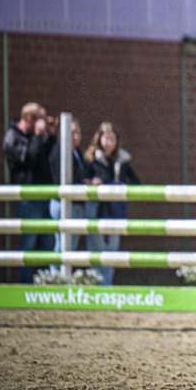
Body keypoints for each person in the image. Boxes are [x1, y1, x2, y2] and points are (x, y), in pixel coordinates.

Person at [2, 102, 57, 282]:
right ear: (29, 119)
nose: (42, 124)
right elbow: (28, 160)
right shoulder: (12, 138)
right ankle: (25, 284)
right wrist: (38, 137)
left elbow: (50, 160)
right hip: (27, 198)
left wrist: (50, 135)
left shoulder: (37, 137)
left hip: (44, 196)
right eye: (41, 120)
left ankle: (43, 282)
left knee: (47, 242)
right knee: (28, 241)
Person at [84, 122, 140, 285]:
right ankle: (96, 288)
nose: (109, 141)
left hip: (115, 212)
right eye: (106, 137)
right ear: (99, 139)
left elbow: (136, 183)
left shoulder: (122, 161)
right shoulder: (91, 159)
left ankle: (107, 287)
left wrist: (121, 187)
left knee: (112, 252)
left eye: (112, 138)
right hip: (97, 210)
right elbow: (84, 179)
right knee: (97, 251)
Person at [49, 118, 91, 252]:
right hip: (63, 203)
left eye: (78, 132)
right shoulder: (59, 151)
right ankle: (57, 273)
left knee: (71, 245)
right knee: (62, 245)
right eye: (72, 133)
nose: (76, 136)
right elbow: (60, 179)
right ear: (62, 134)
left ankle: (64, 273)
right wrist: (82, 184)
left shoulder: (77, 152)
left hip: (76, 203)